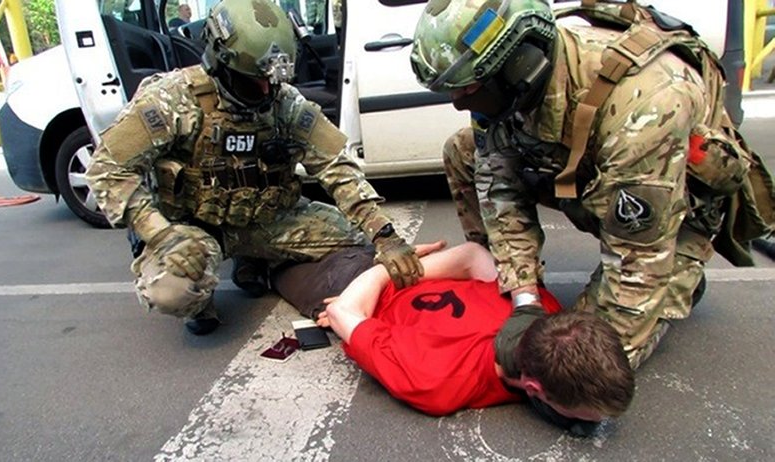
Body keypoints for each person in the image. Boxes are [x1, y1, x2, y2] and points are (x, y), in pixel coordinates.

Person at [409, 0, 775, 369]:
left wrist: (582, 373)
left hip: (671, 209)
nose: (458, 104)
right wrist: (524, 301)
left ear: (520, 63)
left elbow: (635, 260)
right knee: (463, 149)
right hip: (591, 173)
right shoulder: (511, 88)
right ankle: (498, 279)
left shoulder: (646, 105)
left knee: (580, 366)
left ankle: (681, 271)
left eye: (467, 90)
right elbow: (498, 185)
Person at [85, 0, 421, 336]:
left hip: (270, 220)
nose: (264, 91)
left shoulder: (284, 102)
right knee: (172, 289)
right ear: (219, 63)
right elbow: (108, 168)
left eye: (270, 81)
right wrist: (160, 233)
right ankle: (200, 301)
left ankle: (256, 263)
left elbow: (337, 166)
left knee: (362, 242)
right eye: (252, 82)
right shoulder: (171, 99)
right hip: (195, 227)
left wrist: (384, 235)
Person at [273, 242, 635, 436]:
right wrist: (395, 270)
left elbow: (470, 259)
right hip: (358, 278)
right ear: (535, 388)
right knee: (272, 261)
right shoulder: (440, 380)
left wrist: (397, 274)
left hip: (363, 277)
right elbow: (341, 315)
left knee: (290, 261)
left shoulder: (543, 312)